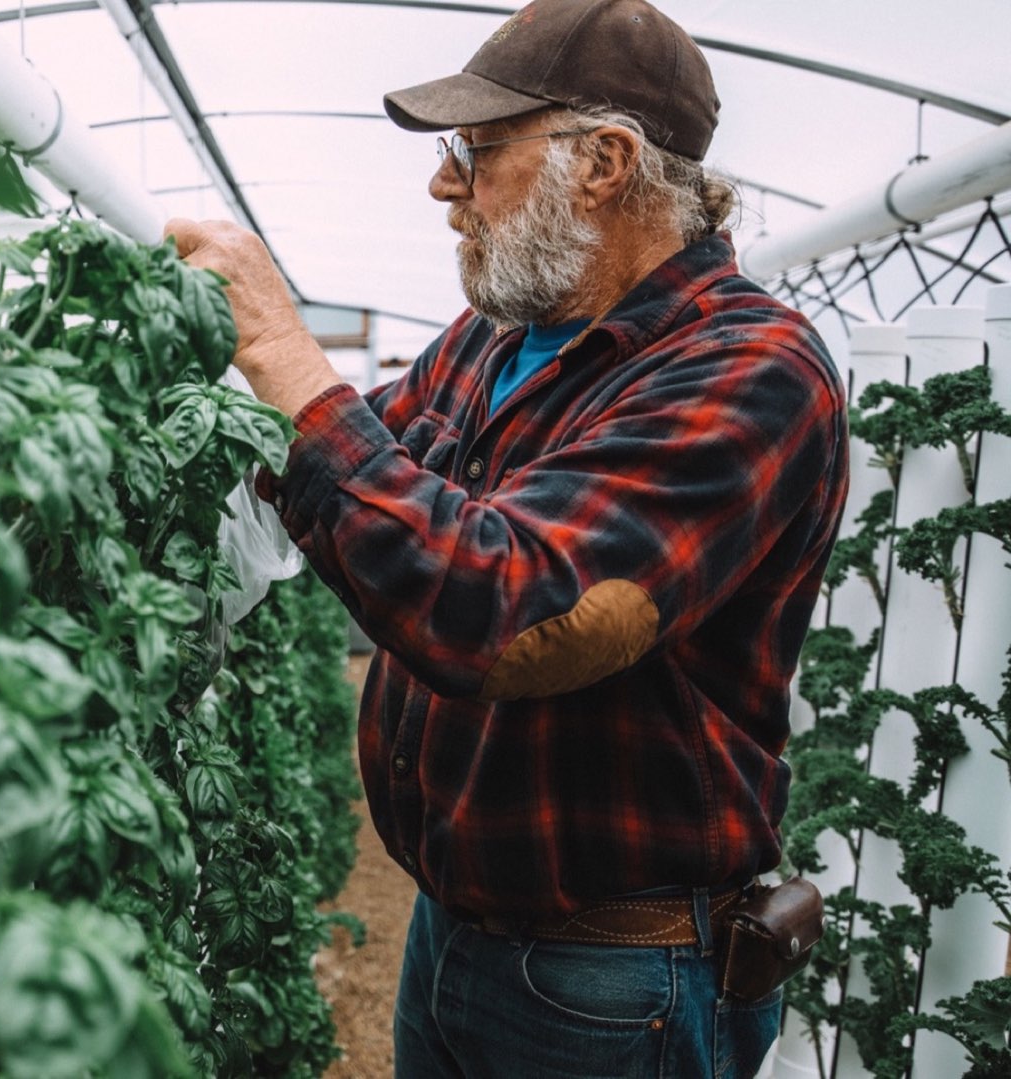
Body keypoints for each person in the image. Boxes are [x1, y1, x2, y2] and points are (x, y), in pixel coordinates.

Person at [166, 0, 848, 1075]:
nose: (445, 187)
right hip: (456, 928)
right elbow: (343, 470)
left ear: (607, 162)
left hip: (611, 987)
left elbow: (508, 614)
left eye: (477, 153)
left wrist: (284, 351)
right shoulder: (497, 341)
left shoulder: (752, 371)